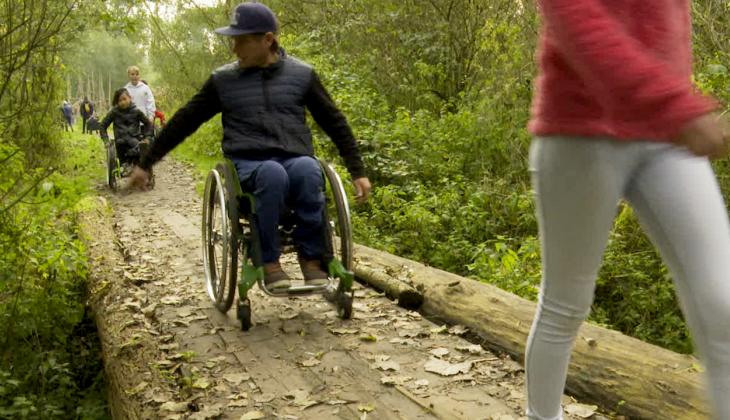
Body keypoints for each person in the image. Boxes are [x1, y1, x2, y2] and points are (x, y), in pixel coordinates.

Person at [524, 2, 730, 419]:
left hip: (667, 133)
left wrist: (675, 106)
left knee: (723, 303)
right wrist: (675, 105)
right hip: (580, 129)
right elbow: (575, 17)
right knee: (566, 304)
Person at [129, 2, 371, 291]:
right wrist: (147, 162)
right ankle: (268, 261)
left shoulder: (302, 75)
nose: (234, 49)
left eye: (241, 41)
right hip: (249, 162)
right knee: (271, 173)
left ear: (267, 40)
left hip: (294, 157)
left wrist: (357, 170)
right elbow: (184, 122)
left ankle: (312, 259)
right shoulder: (224, 81)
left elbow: (336, 123)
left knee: (308, 169)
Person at [99, 88, 153, 167]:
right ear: (117, 102)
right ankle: (125, 165)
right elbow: (103, 125)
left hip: (134, 140)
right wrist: (106, 140)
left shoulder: (136, 111)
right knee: (121, 145)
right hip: (120, 142)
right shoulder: (114, 112)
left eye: (124, 99)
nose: (123, 102)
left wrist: (147, 137)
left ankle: (137, 164)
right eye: (120, 101)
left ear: (130, 98)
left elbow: (148, 124)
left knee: (142, 147)